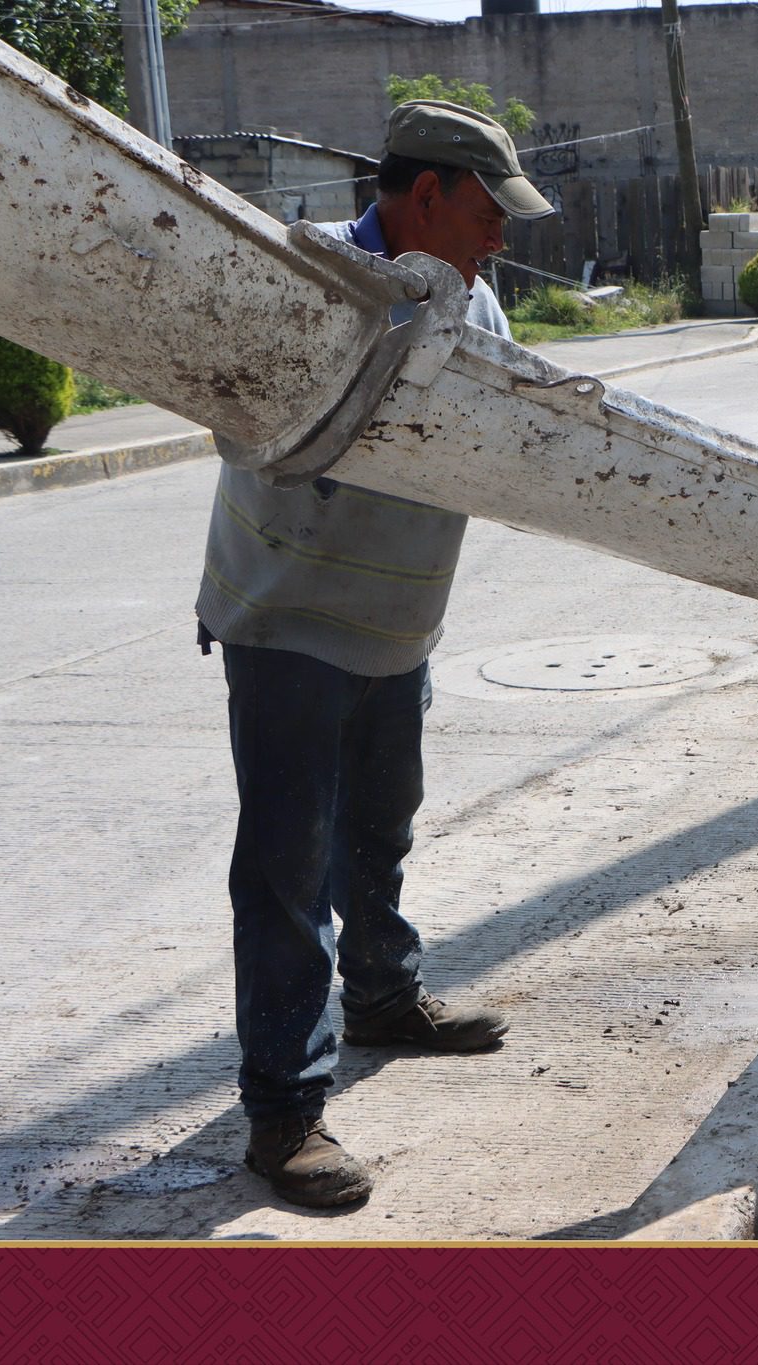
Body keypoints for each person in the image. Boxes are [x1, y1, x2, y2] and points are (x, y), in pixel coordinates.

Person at [195, 100, 555, 1207]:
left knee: (380, 823)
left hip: (396, 629)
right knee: (288, 868)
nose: (501, 238)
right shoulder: (311, 288)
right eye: (490, 212)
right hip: (290, 620)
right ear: (428, 192)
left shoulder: (476, 300)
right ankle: (284, 1116)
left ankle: (385, 998)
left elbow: (507, 436)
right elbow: (239, 420)